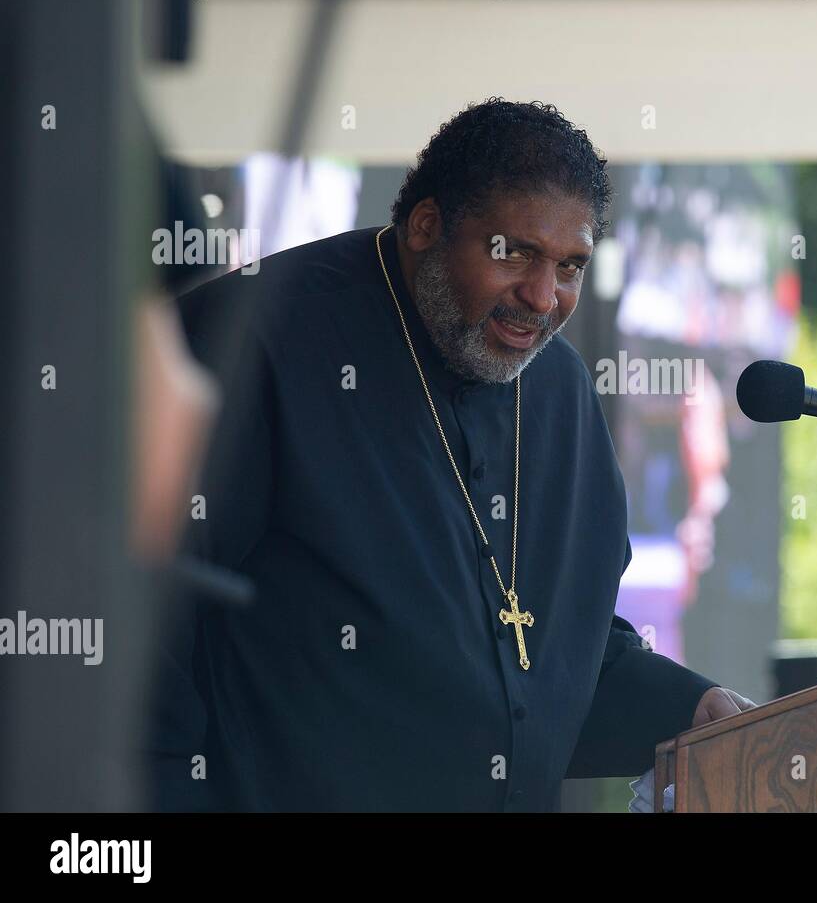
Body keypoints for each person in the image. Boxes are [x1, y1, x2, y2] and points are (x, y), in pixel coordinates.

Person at [152, 98, 754, 811]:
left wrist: (690, 706)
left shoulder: (559, 390)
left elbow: (552, 660)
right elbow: (142, 622)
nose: (543, 296)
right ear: (427, 226)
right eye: (517, 253)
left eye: (570, 265)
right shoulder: (257, 340)